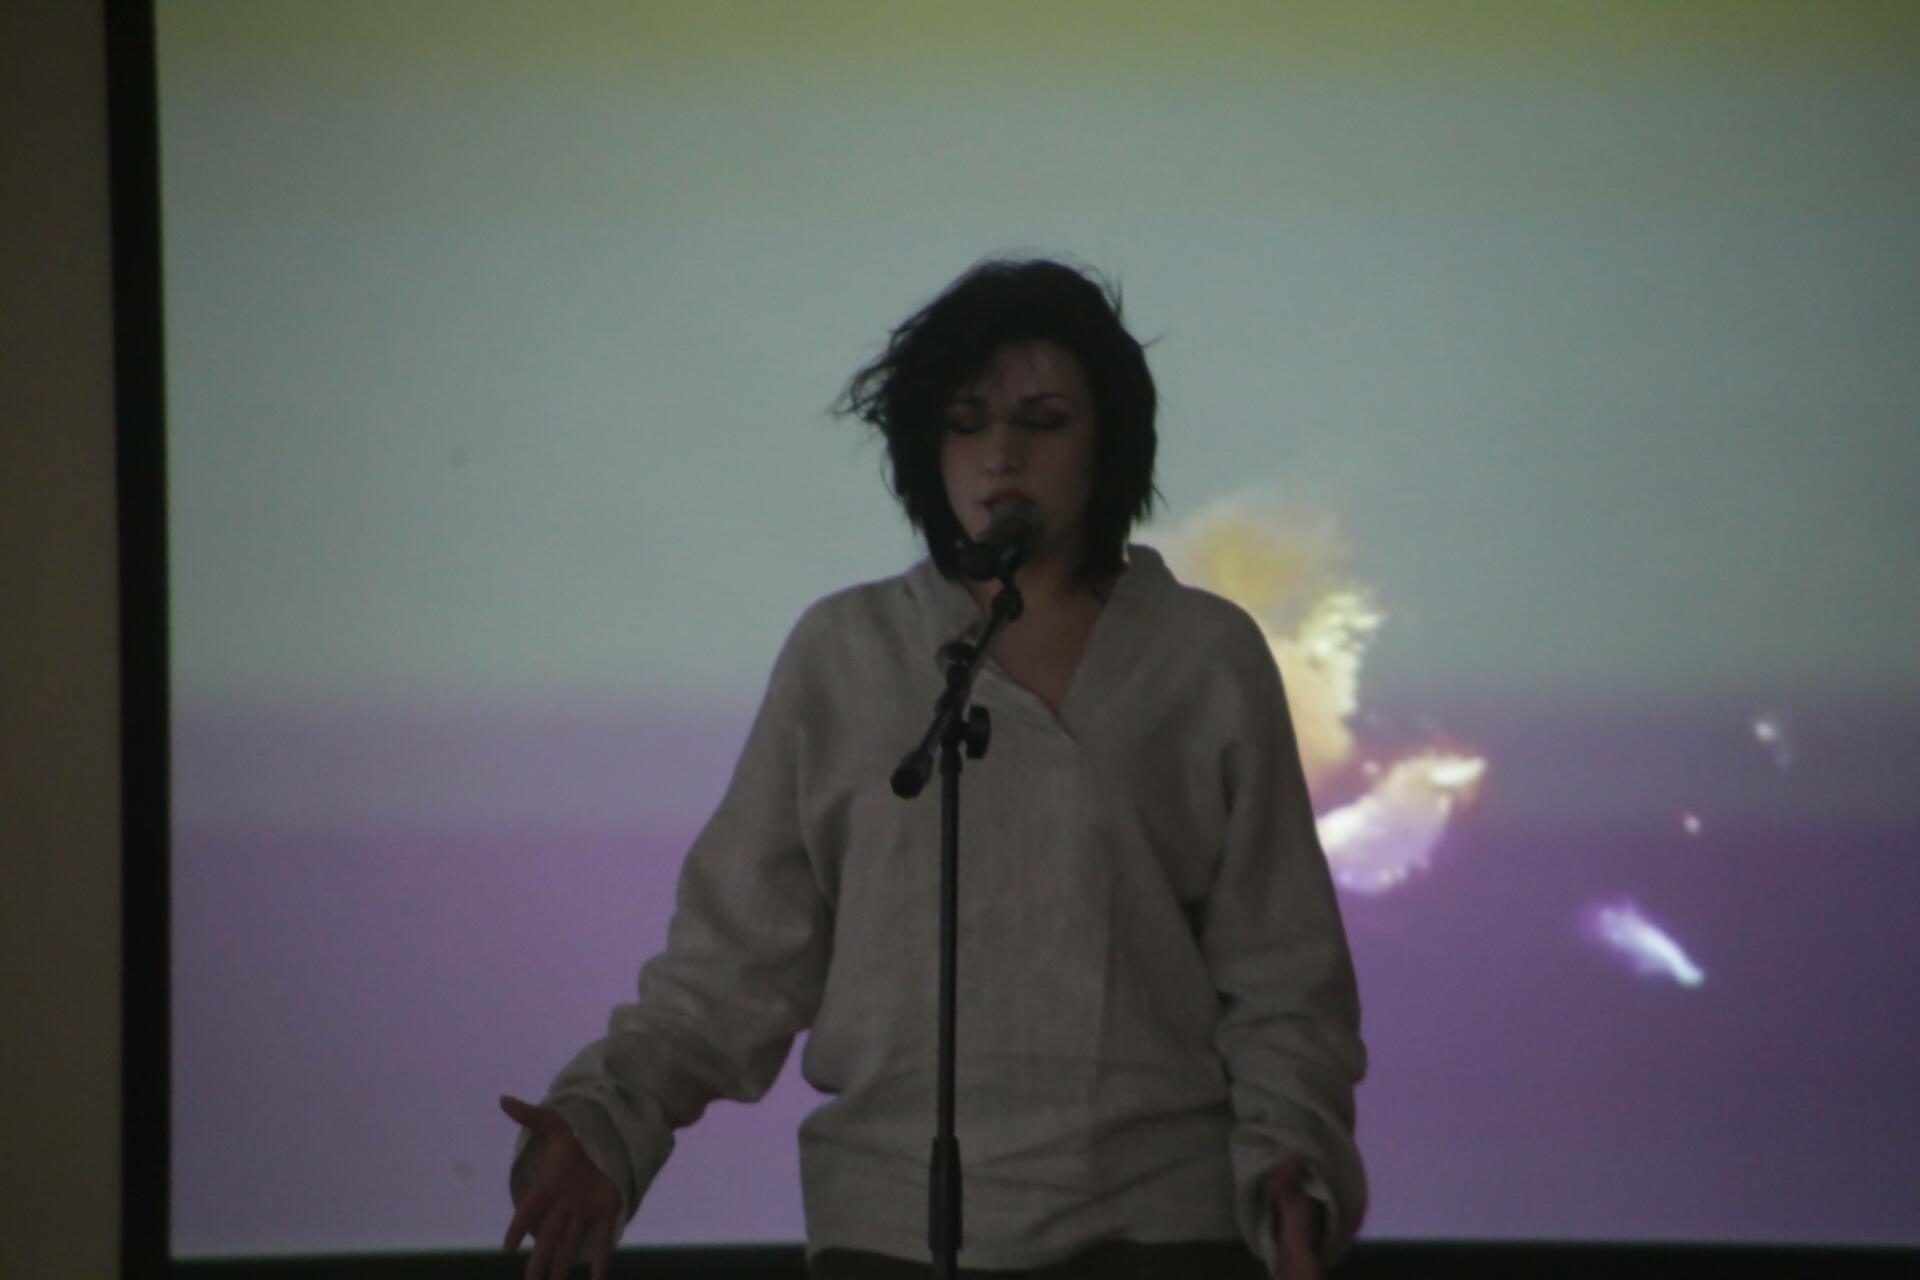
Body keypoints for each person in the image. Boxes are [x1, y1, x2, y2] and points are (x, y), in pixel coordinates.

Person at [501, 258, 1367, 1280]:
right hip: (890, 1224)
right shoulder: (846, 651)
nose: (1001, 453)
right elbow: (734, 960)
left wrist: (1292, 1160)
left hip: (1162, 1221)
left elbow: (1281, 969)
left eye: (1044, 421)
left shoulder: (1204, 653)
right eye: (965, 423)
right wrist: (605, 1117)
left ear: (1109, 442)